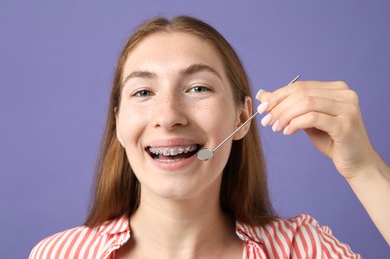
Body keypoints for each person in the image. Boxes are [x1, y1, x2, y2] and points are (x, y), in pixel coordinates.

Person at [30, 16, 389, 258]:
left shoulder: (300, 249)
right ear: (119, 124)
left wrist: (364, 168)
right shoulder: (60, 253)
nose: (169, 116)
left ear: (243, 117)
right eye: (143, 92)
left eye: (198, 87)